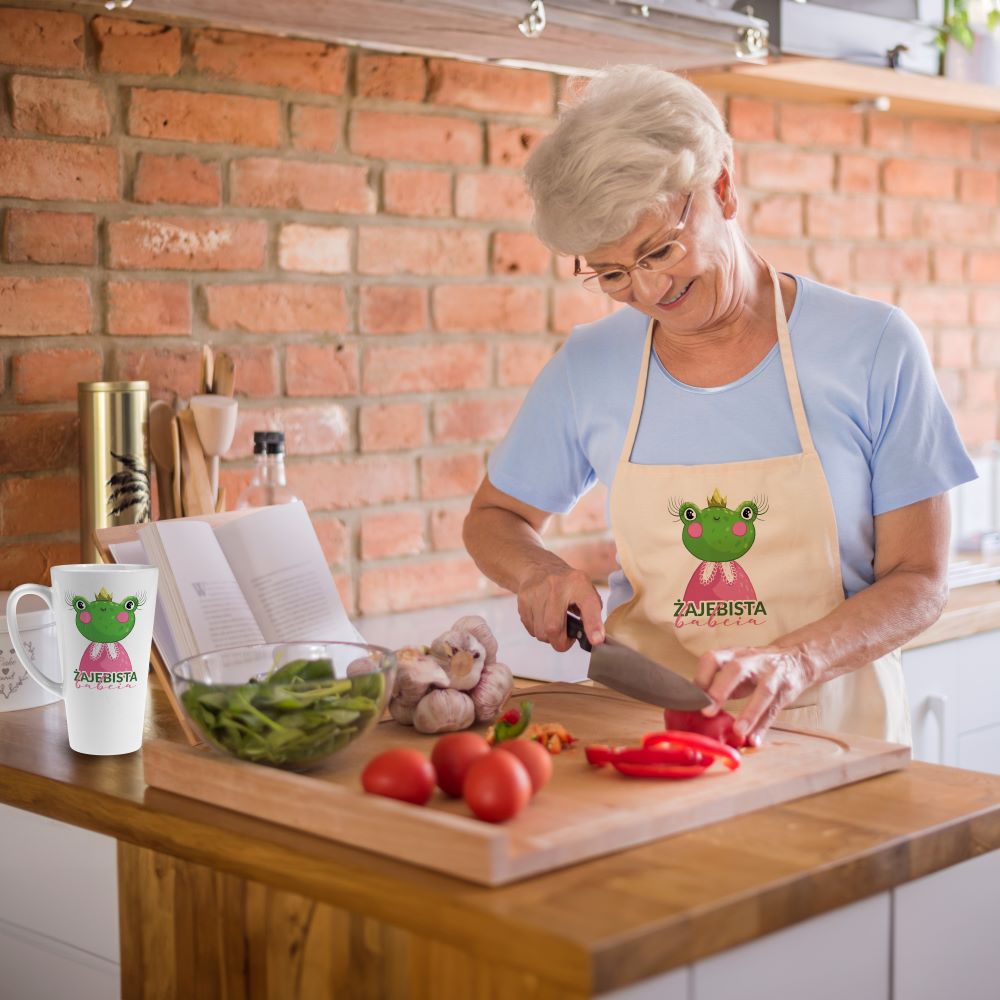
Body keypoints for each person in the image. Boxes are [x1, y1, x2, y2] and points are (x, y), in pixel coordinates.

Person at [462, 65, 976, 746]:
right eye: (612, 274)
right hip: (642, 730)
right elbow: (494, 518)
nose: (648, 289)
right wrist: (542, 571)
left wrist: (797, 659)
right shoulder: (589, 366)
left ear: (723, 187)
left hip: (831, 731)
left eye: (660, 250)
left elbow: (919, 579)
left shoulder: (873, 345)